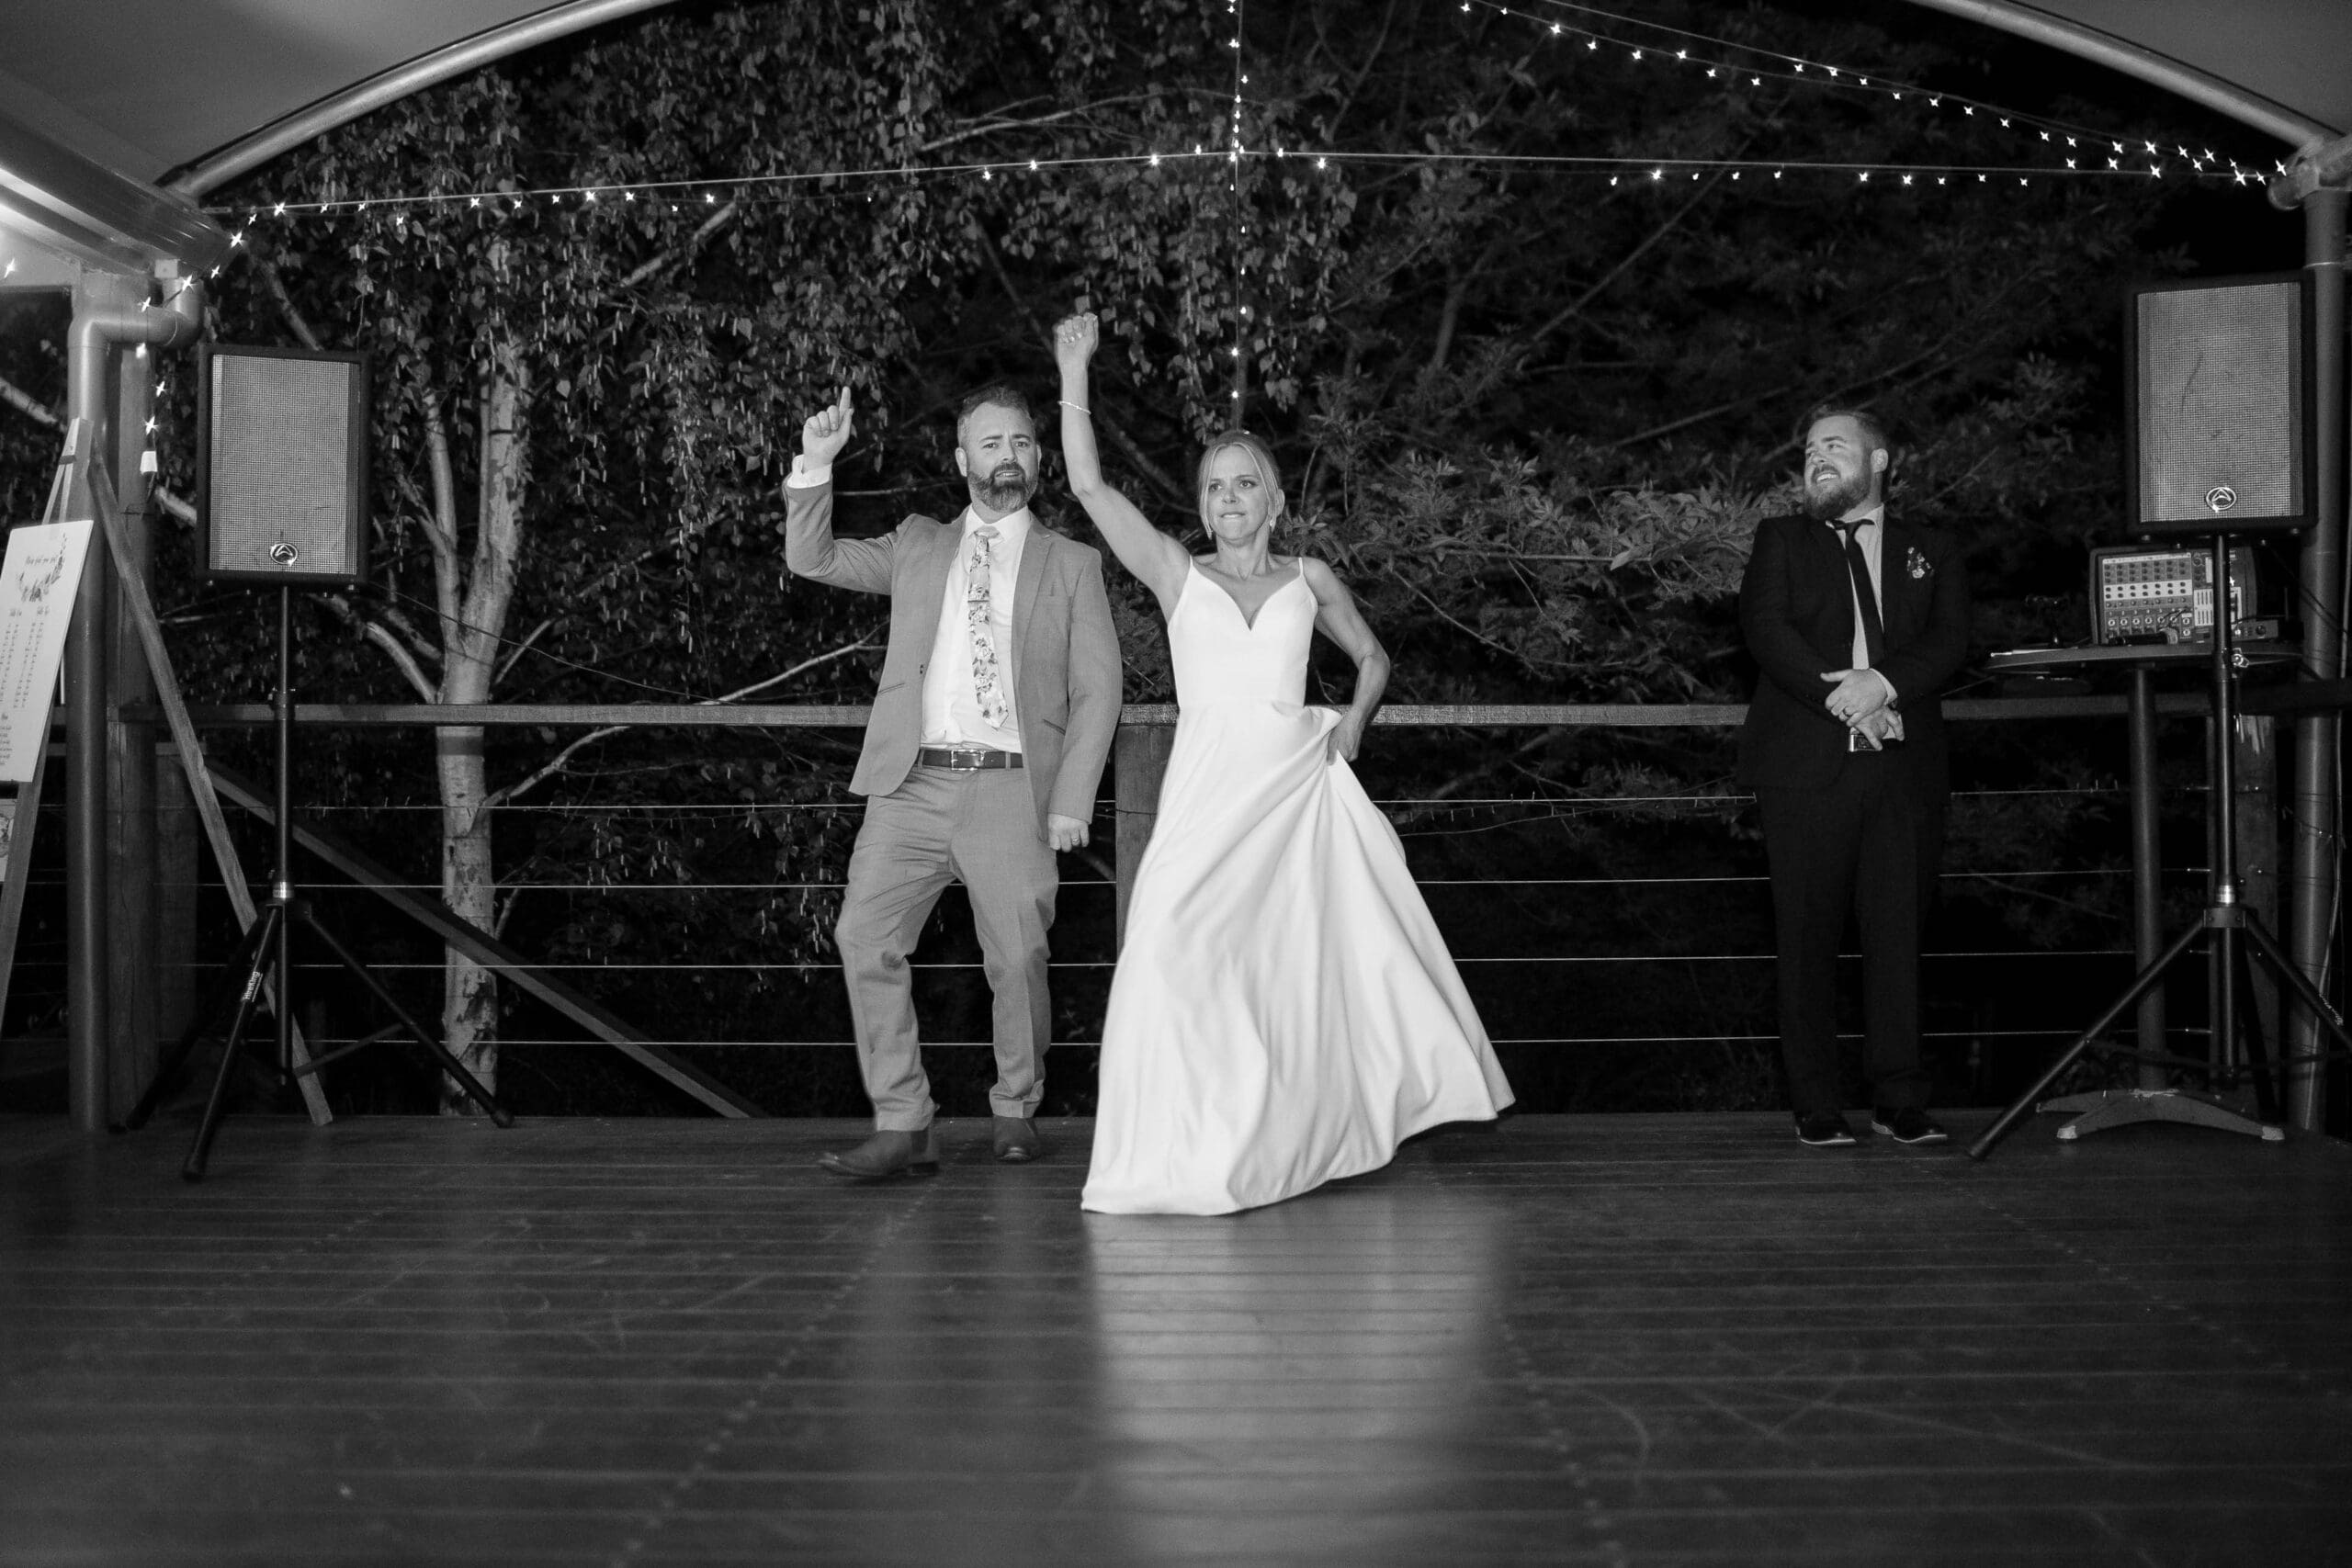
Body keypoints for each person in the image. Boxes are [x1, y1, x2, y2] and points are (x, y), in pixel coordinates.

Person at [1052, 311, 1513, 1215]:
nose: (1229, 498)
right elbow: (1089, 485)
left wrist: (1352, 726)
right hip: (1203, 796)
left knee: (1287, 974)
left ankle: (1279, 1136)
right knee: (1163, 954)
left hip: (1289, 791)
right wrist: (1075, 370)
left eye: (1245, 484)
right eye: (1216, 486)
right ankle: (1165, 1150)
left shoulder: (1310, 578)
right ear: (1202, 505)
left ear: (1273, 501)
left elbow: (1374, 661)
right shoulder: (1176, 576)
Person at [785, 382, 1122, 1178]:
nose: (1009, 455)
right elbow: (813, 557)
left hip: (1013, 789)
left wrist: (1074, 795)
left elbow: (1098, 689)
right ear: (962, 457)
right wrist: (817, 466)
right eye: (992, 442)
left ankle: (1016, 1105)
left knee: (1017, 960)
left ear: (1038, 459)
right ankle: (905, 1121)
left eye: (1022, 442)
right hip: (910, 785)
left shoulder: (1074, 565)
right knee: (864, 937)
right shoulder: (918, 542)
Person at [1736, 407, 1971, 1148]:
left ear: (1879, 462)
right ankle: (1816, 1102)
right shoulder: (1781, 539)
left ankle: (1899, 1098)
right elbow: (1766, 630)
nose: (1815, 460)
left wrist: (1884, 684)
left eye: (1833, 447)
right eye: (1807, 451)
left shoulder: (1931, 548)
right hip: (1805, 769)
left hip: (1905, 772)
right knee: (1806, 938)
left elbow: (1952, 642)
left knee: (1899, 935)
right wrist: (1844, 696)